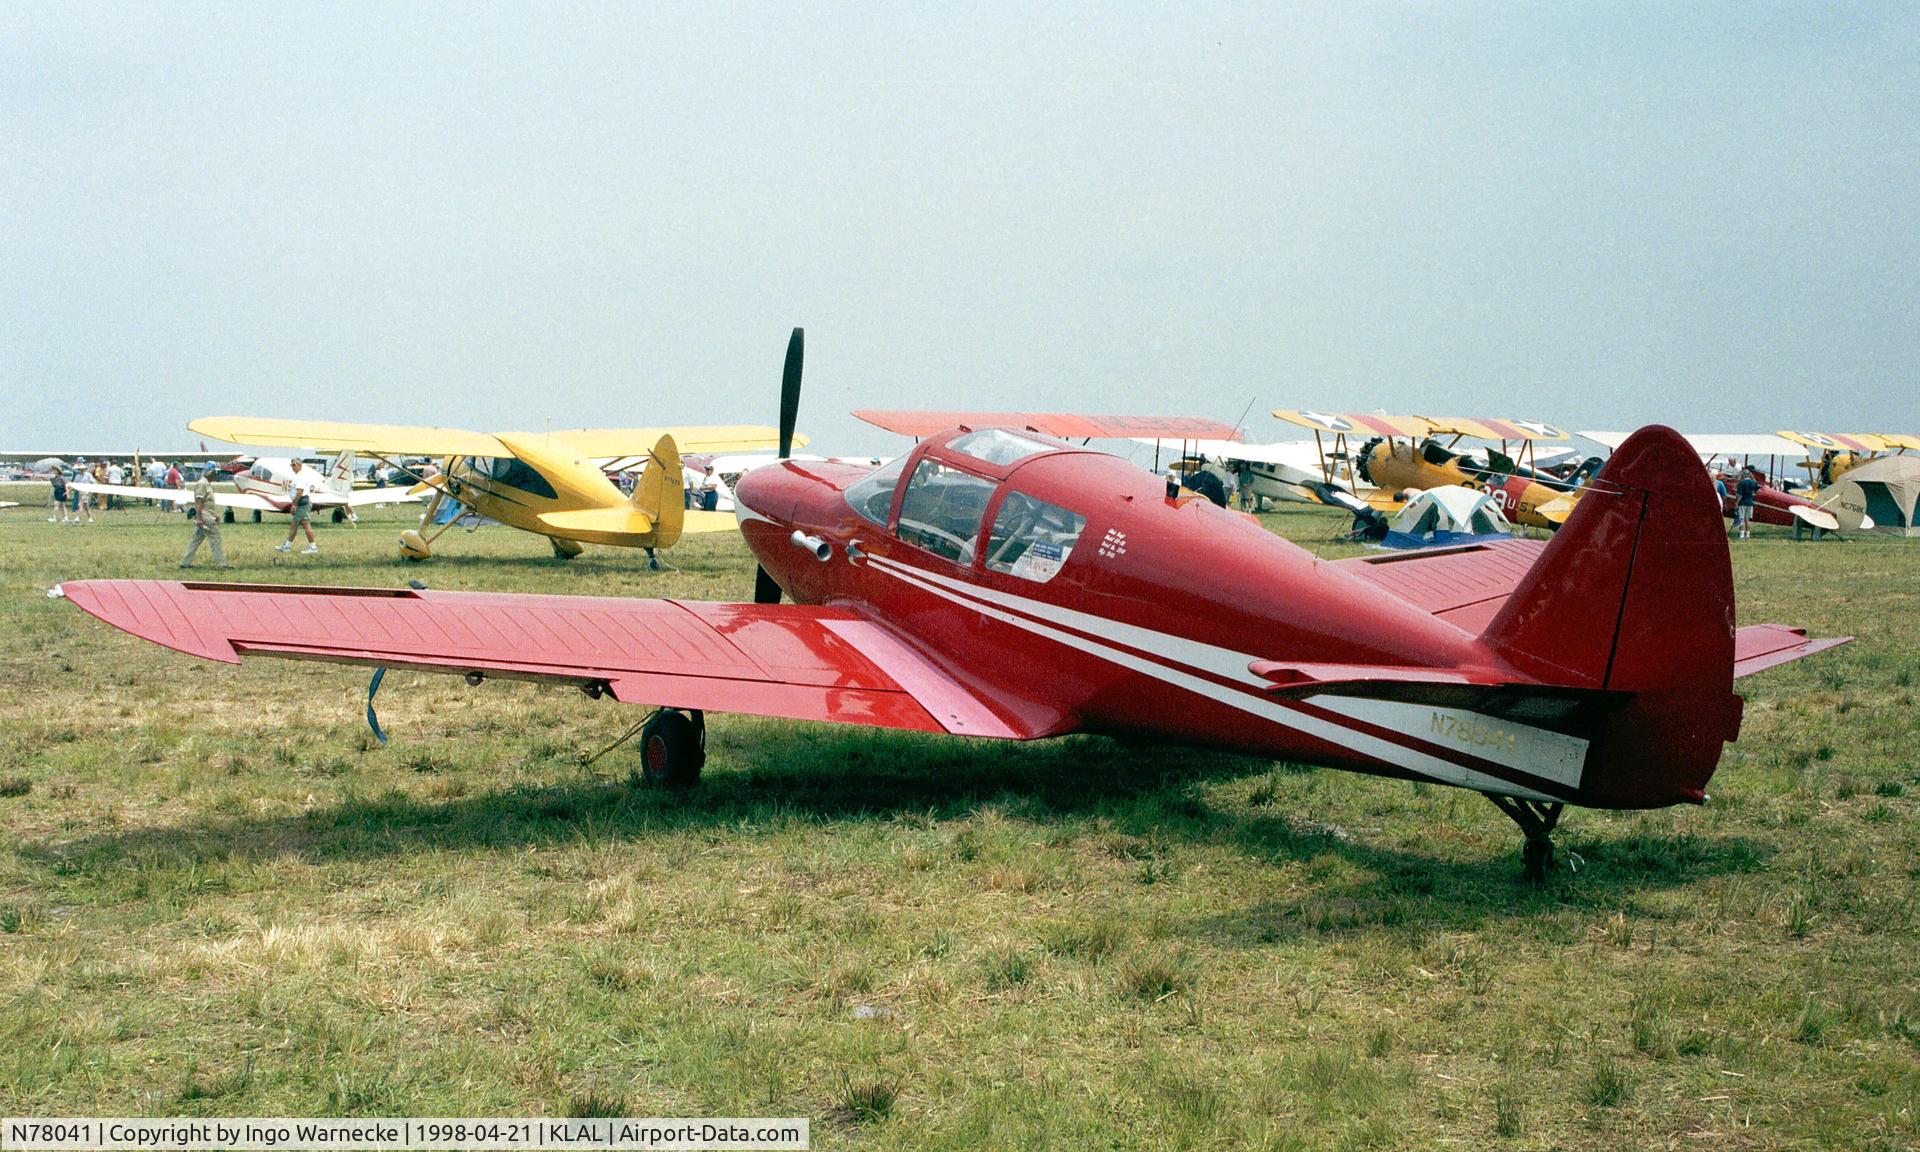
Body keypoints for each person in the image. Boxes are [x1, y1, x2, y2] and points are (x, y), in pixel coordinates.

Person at [180, 462, 228, 569]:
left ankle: (185, 562)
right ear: (209, 472)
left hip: (206, 515)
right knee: (215, 539)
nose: (216, 475)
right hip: (205, 517)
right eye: (214, 472)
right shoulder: (202, 484)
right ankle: (221, 564)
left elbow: (207, 503)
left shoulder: (206, 483)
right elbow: (199, 502)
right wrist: (199, 518)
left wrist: (215, 514)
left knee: (195, 540)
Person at [274, 458, 323, 554]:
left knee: (306, 525)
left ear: (299, 465)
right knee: (294, 525)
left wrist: (294, 505)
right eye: (291, 465)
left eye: (293, 465)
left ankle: (313, 547)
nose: (292, 467)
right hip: (301, 503)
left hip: (302, 503)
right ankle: (287, 546)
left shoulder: (300, 477)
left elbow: (299, 492)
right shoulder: (299, 476)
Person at [1733, 465, 1761, 540]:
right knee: (1747, 519)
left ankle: (1742, 535)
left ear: (1743, 475)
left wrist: (1736, 504)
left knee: (1741, 519)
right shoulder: (1753, 483)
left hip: (1742, 503)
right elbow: (1756, 486)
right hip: (1750, 502)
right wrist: (1752, 477)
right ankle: (1747, 535)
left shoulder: (1741, 483)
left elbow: (1739, 495)